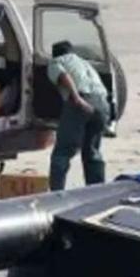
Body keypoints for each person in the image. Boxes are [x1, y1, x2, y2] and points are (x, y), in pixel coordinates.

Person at [47, 41, 110, 191]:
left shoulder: (56, 61)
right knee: (92, 151)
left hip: (80, 102)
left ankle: (56, 195)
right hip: (102, 104)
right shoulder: (85, 63)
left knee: (62, 152)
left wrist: (76, 98)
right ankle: (97, 191)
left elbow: (63, 75)